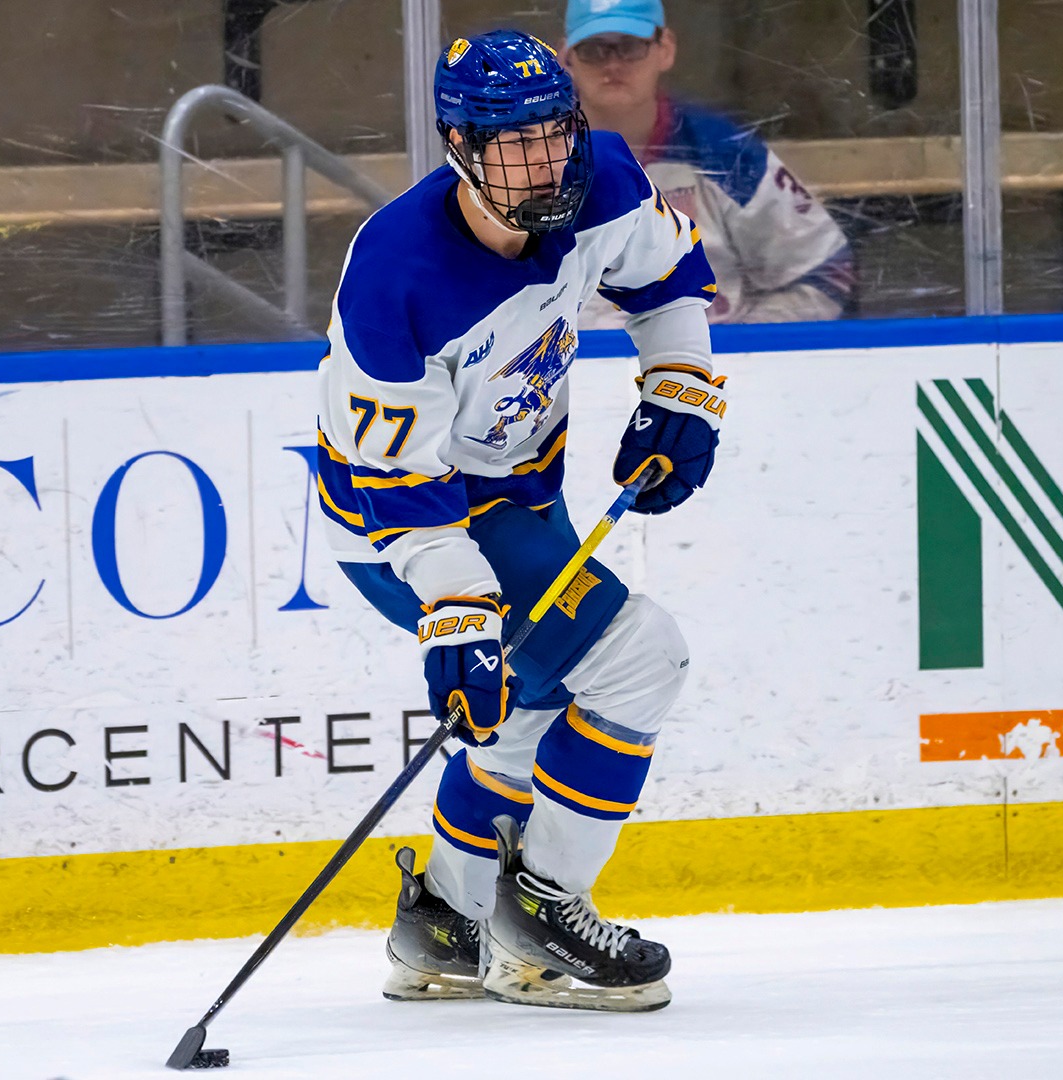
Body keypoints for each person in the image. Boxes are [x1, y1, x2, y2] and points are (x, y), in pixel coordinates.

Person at [313, 29, 726, 1012]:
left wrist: (680, 389)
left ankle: (448, 927)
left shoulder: (606, 177)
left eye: (555, 134)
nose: (546, 162)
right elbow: (400, 490)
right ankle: (541, 919)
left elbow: (664, 278)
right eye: (515, 143)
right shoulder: (395, 275)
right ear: (462, 146)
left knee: (528, 708)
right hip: (400, 524)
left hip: (520, 495)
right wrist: (460, 612)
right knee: (639, 659)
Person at [562, 0, 855, 325]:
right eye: (593, 49)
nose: (613, 65)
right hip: (572, 371)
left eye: (630, 47)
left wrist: (737, 350)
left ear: (665, 49)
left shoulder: (724, 154)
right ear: (566, 58)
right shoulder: (526, 160)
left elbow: (825, 272)